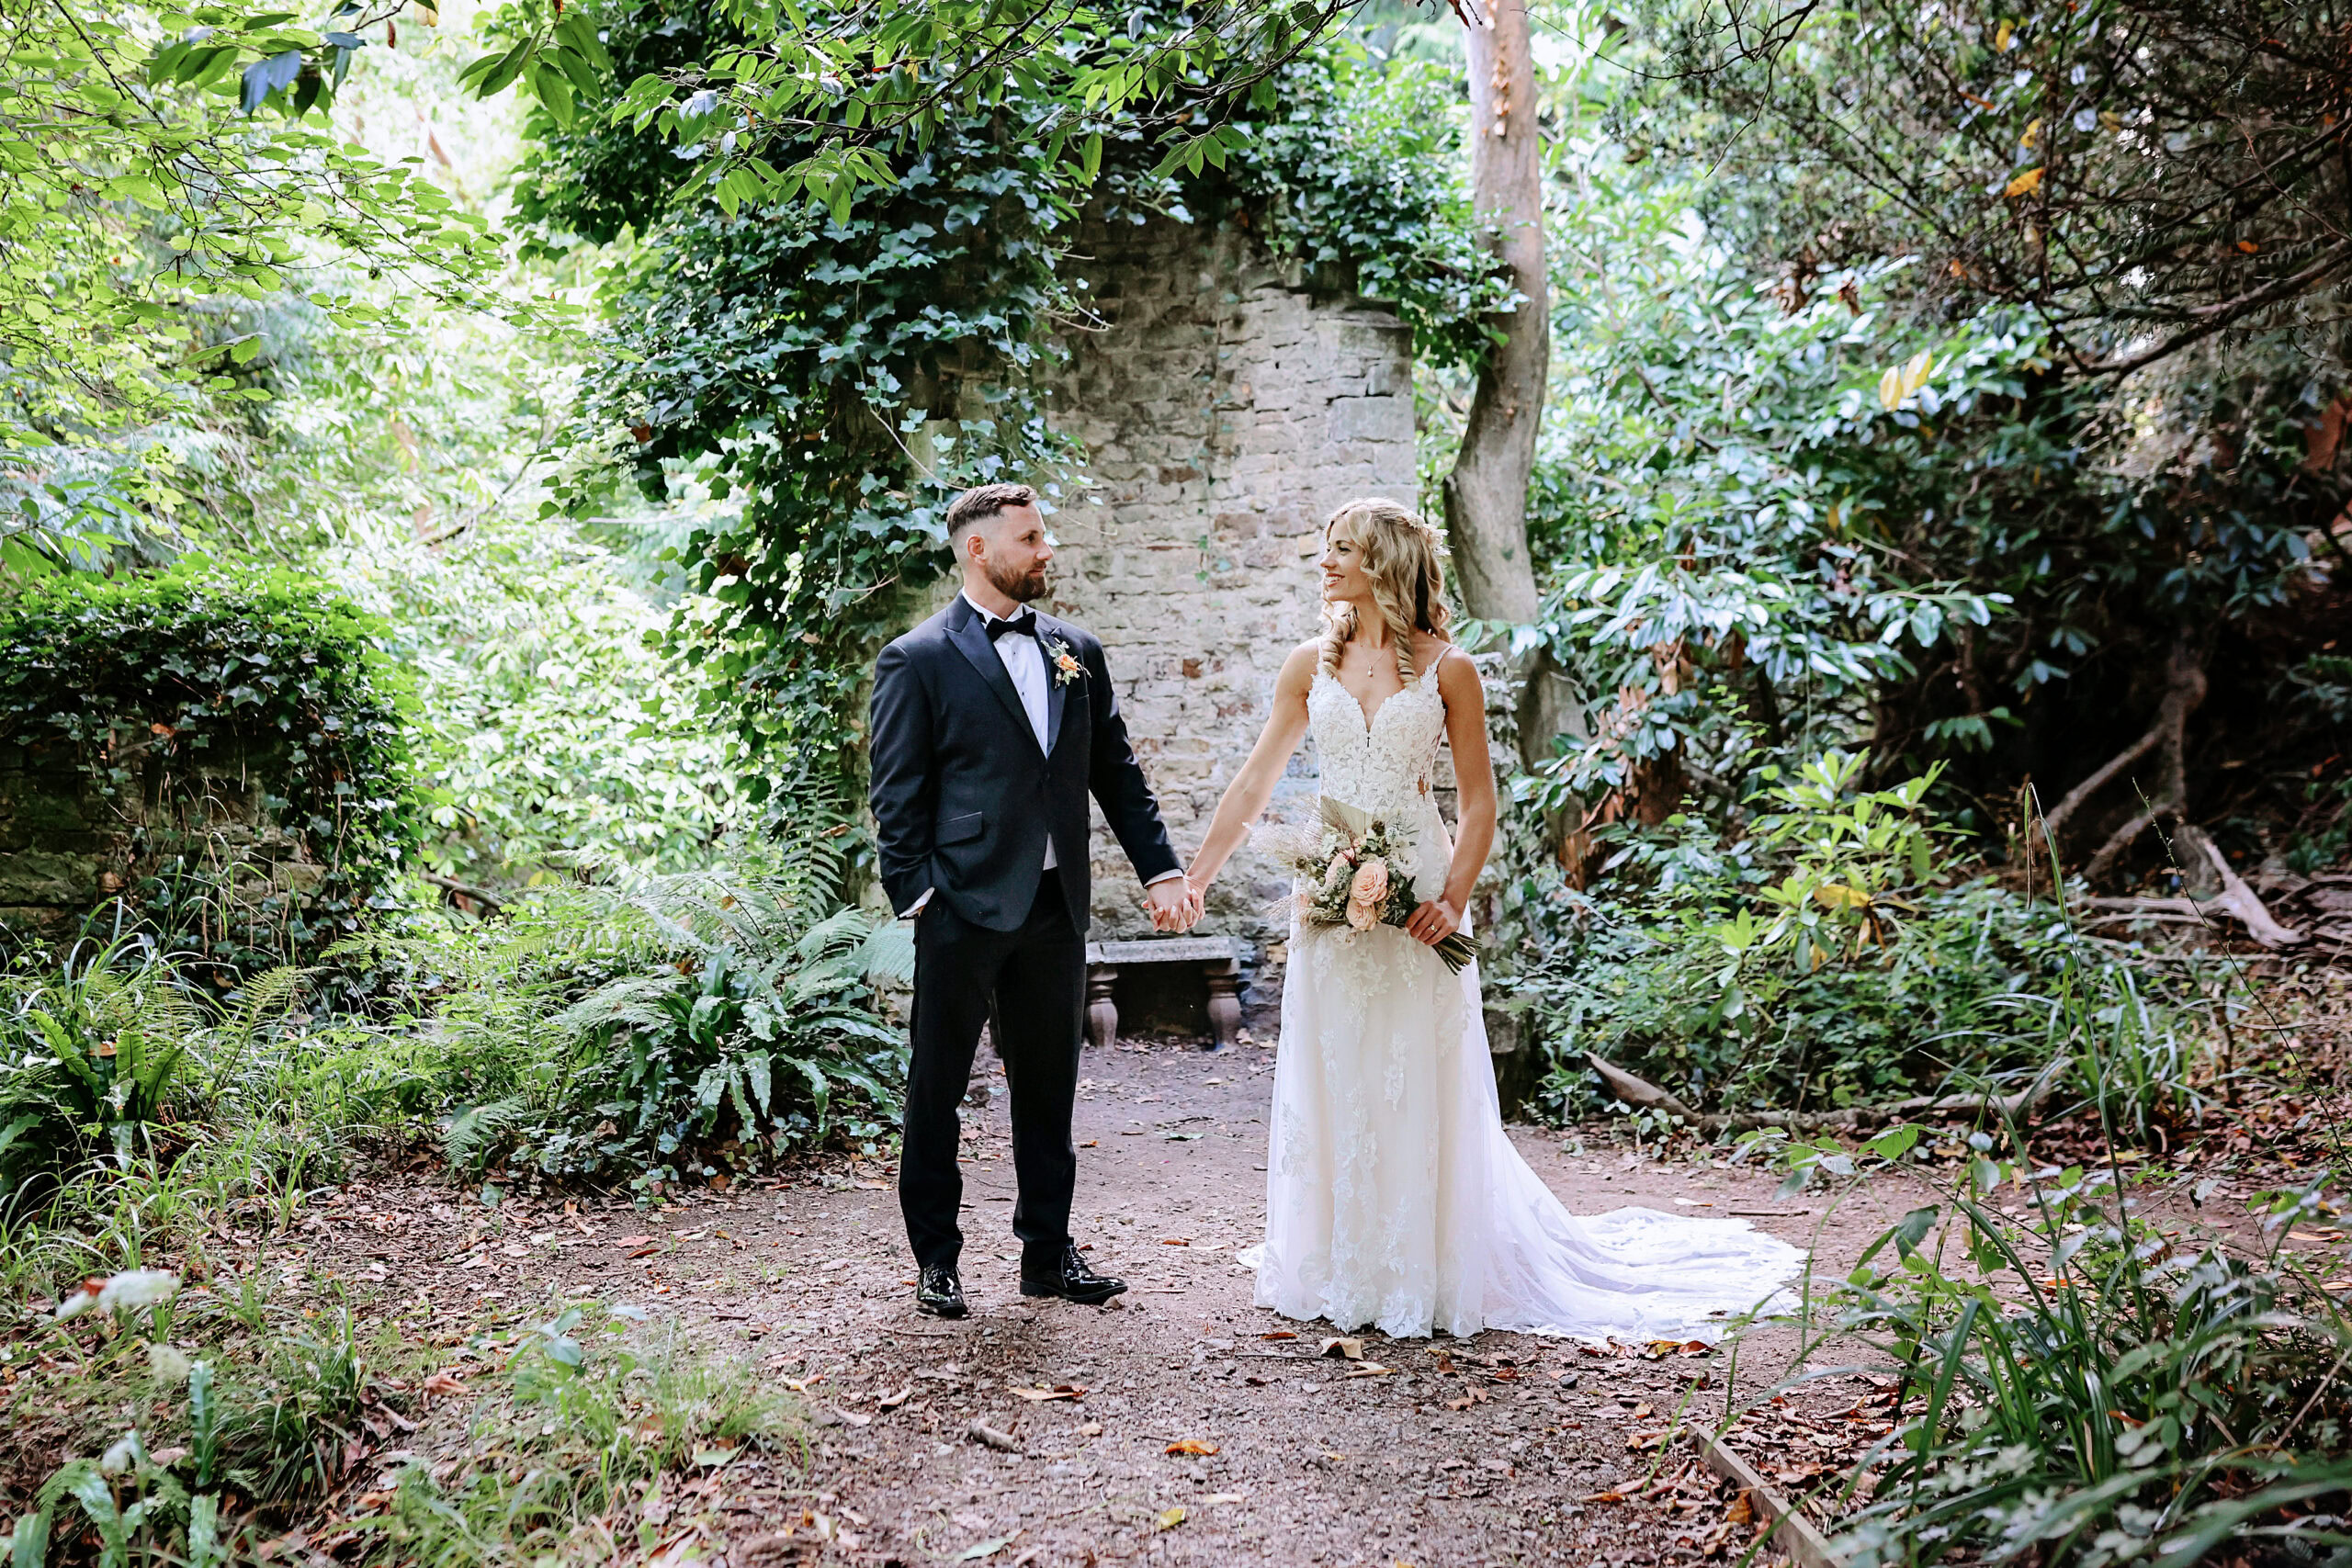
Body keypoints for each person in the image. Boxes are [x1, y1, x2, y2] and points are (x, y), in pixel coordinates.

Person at [1183, 498, 1802, 1340]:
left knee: (1413, 1072)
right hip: (1328, 894)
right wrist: (1197, 876)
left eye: (1341, 549)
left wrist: (1452, 898)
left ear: (1384, 561)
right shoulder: (1307, 665)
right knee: (1338, 1068)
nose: (1325, 562)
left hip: (1420, 891)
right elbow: (1256, 782)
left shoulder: (1451, 670)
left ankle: (1423, 1269)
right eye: (1326, 548)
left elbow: (1478, 804)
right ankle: (1341, 1261)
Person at [868, 482, 1203, 1320]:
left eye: (1044, 534)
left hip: (1056, 907)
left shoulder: (1075, 650)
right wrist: (918, 895)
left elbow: (1116, 771)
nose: (1046, 549)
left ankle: (1047, 1254)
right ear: (979, 549)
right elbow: (897, 794)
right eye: (1030, 537)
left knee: (1049, 1089)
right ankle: (936, 1261)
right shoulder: (917, 657)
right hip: (960, 905)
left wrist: (1161, 869)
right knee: (936, 1088)